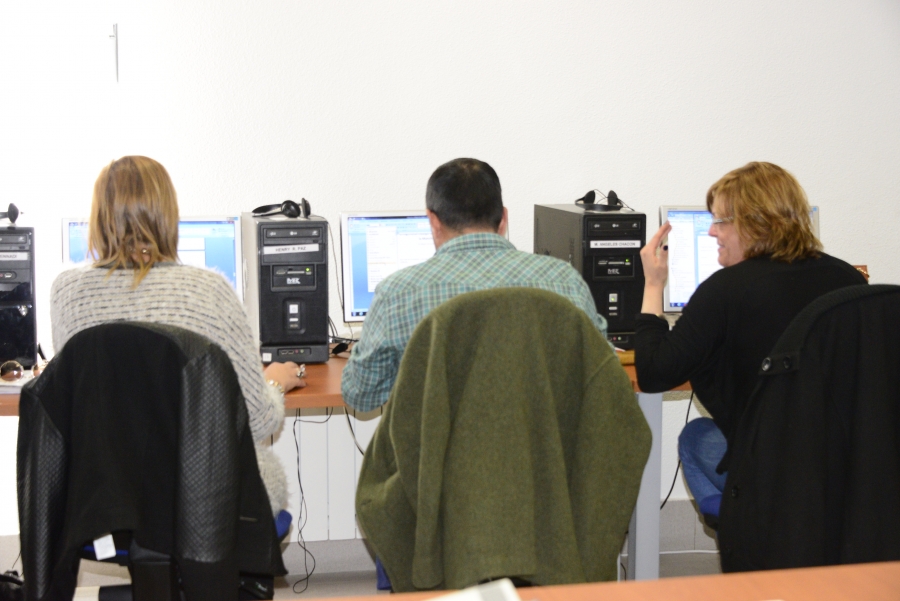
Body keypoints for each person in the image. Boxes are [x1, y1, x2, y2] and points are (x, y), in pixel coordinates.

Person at [50, 156, 305, 516]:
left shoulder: (66, 293)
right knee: (261, 468)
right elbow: (260, 419)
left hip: (105, 497)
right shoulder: (210, 290)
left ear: (98, 217)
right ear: (168, 215)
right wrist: (275, 384)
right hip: (203, 499)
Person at [635, 162, 866, 524]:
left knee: (696, 436)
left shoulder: (725, 290)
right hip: (848, 468)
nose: (712, 232)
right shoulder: (847, 277)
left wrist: (653, 285)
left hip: (769, 471)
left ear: (756, 223)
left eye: (721, 222)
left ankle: (750, 528)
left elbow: (653, 373)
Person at [341, 157, 608, 413]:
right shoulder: (565, 280)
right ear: (503, 218)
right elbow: (603, 377)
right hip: (544, 457)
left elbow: (361, 395)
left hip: (438, 459)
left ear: (432, 221)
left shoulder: (397, 293)